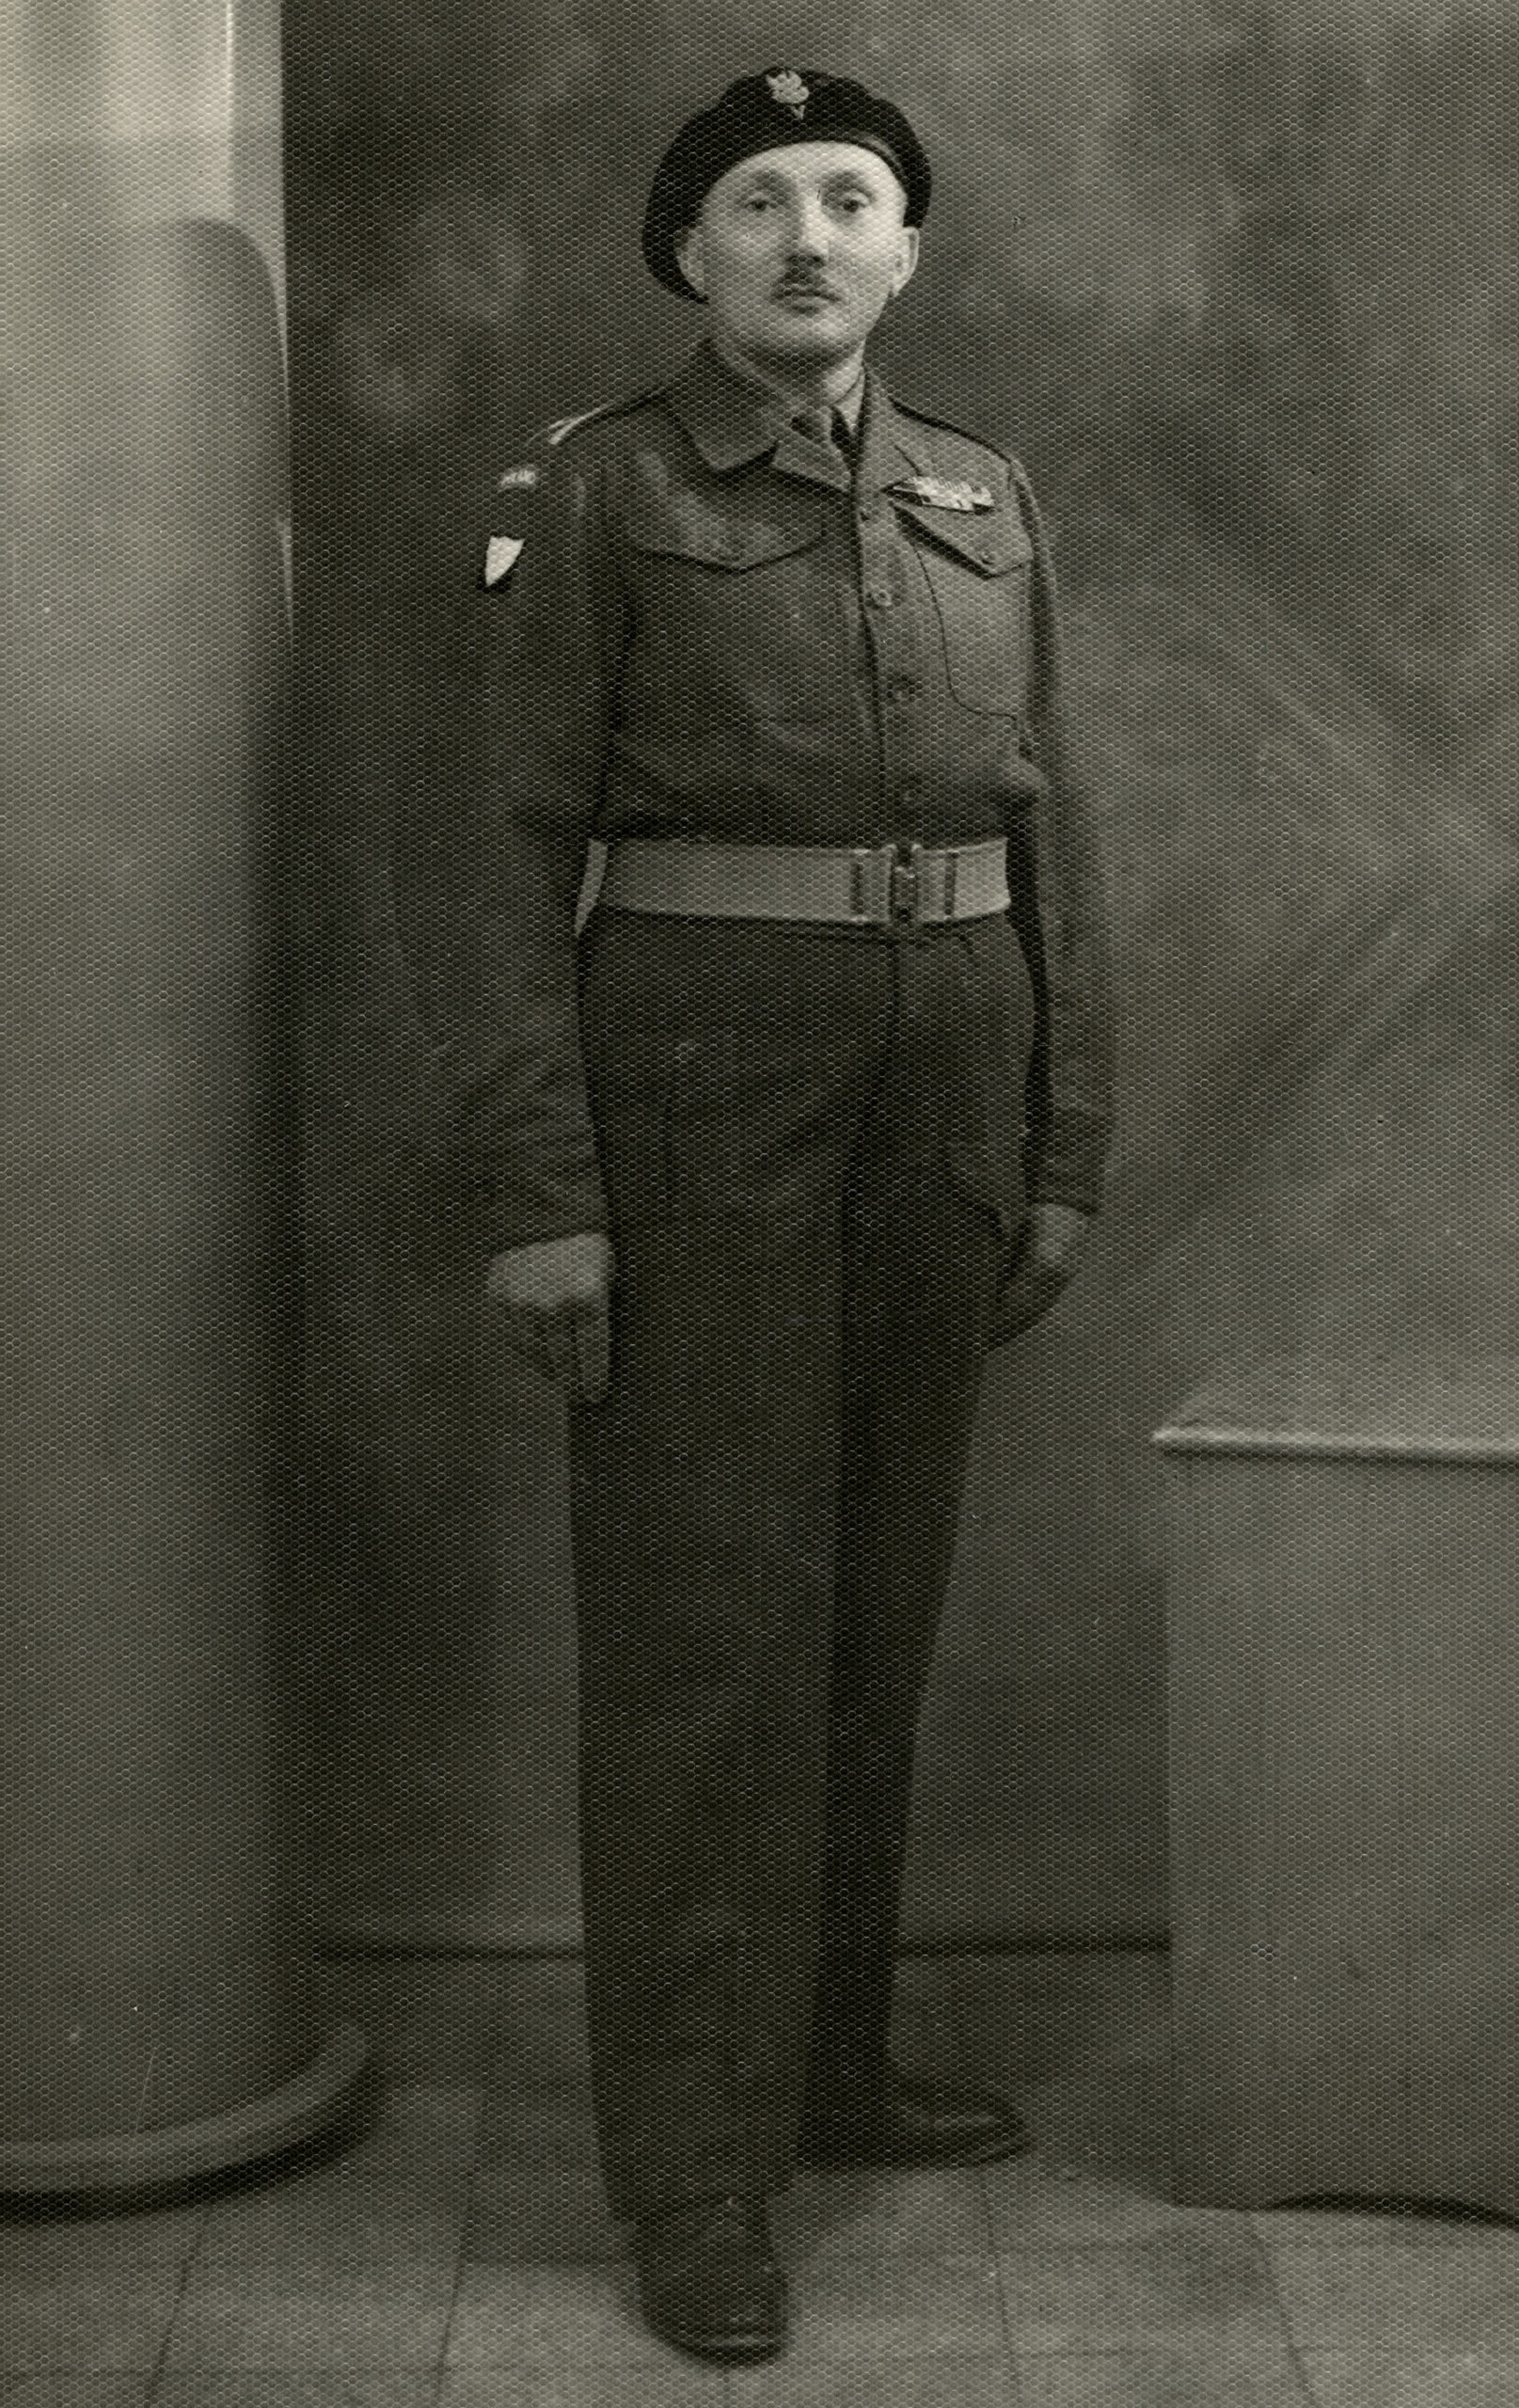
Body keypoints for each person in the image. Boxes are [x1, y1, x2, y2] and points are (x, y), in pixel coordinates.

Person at [393, 66, 1113, 2362]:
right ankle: (694, 2168)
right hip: (699, 1097)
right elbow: (498, 852)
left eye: (851, 197)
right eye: (756, 202)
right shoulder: (601, 490)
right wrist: (541, 1189)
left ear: (906, 250)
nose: (808, 235)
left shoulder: (983, 495)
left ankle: (824, 2066)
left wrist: (1063, 1141)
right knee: (708, 1638)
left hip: (948, 1088)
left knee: (873, 1606)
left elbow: (1057, 827)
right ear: (686, 253)